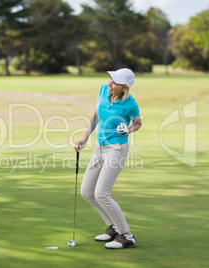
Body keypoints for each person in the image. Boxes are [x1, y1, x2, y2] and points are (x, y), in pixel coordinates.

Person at [74, 68, 142, 249]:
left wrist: (128, 129)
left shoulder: (130, 104)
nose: (110, 83)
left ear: (125, 87)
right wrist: (84, 138)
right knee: (86, 191)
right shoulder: (104, 90)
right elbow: (95, 115)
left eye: (115, 82)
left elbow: (138, 123)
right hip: (100, 147)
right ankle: (113, 227)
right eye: (110, 79)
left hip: (116, 149)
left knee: (101, 193)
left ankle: (127, 236)